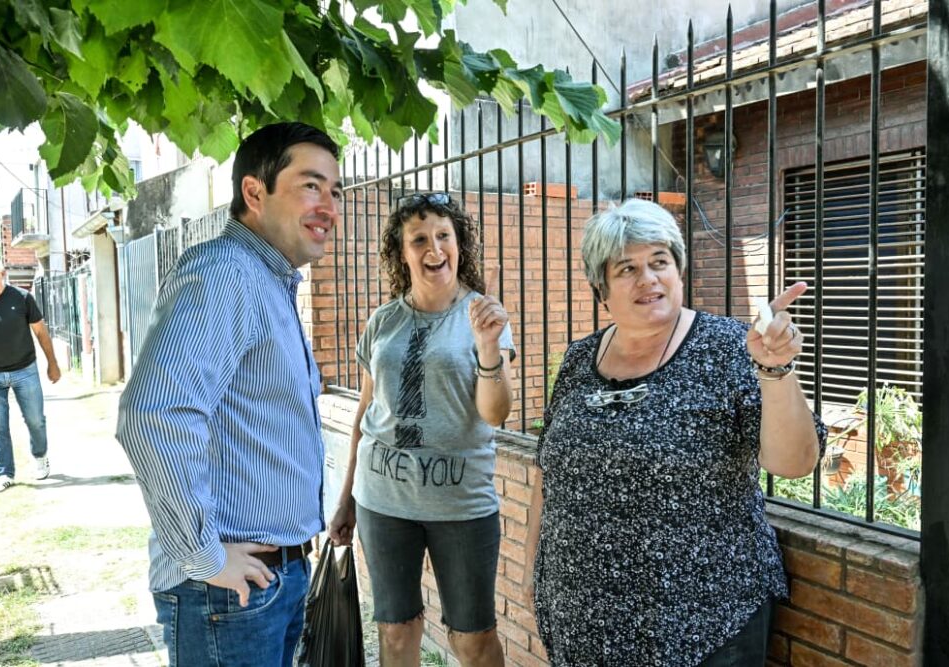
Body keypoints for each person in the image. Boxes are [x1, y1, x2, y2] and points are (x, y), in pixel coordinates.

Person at [523, 199, 825, 666]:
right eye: (627, 268)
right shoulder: (580, 360)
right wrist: (532, 569)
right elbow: (551, 471)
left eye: (659, 261)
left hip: (704, 620)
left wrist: (775, 368)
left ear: (679, 270)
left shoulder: (731, 347)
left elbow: (794, 463)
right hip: (581, 615)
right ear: (601, 287)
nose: (648, 279)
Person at [116, 122, 342, 667]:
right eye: (311, 185)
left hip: (268, 581)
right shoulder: (226, 273)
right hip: (227, 592)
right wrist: (204, 556)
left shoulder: (269, 281)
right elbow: (153, 415)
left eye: (335, 191)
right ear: (254, 192)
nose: (329, 206)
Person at [328, 192, 514, 667]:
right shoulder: (382, 321)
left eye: (443, 236)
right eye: (419, 239)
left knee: (473, 638)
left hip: (461, 503)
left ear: (458, 244)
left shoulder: (482, 317)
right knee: (395, 632)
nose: (434, 248)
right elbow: (367, 414)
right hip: (383, 500)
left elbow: (496, 414)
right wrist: (347, 496)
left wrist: (488, 348)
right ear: (402, 252)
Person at [0, 254, 60, 494]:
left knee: (35, 420)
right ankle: (4, 473)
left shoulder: (22, 298)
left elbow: (41, 332)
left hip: (25, 370)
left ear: (2, 274)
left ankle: (40, 456)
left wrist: (52, 363)